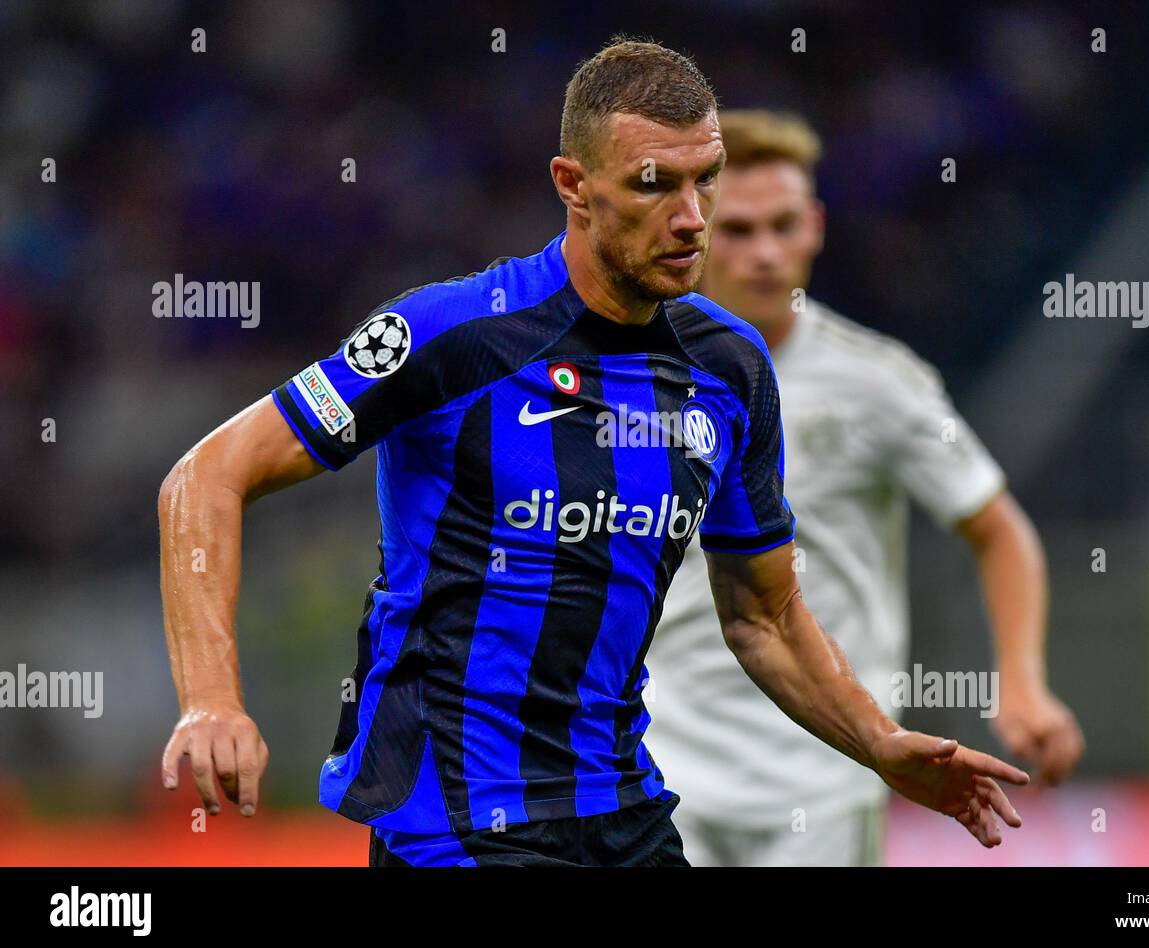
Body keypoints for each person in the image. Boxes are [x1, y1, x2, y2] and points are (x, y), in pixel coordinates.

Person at [157, 40, 1028, 868]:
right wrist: (210, 697)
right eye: (654, 184)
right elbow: (205, 476)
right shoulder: (454, 333)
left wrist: (879, 744)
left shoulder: (728, 369)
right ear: (574, 186)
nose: (692, 219)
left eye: (706, 181)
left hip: (620, 810)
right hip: (457, 816)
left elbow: (763, 617)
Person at [645, 109, 1084, 866]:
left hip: (827, 776)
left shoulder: (881, 382)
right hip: (667, 769)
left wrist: (1023, 682)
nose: (764, 253)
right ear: (697, 231)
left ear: (815, 226)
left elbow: (999, 528)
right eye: (739, 230)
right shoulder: (636, 376)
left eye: (783, 226)